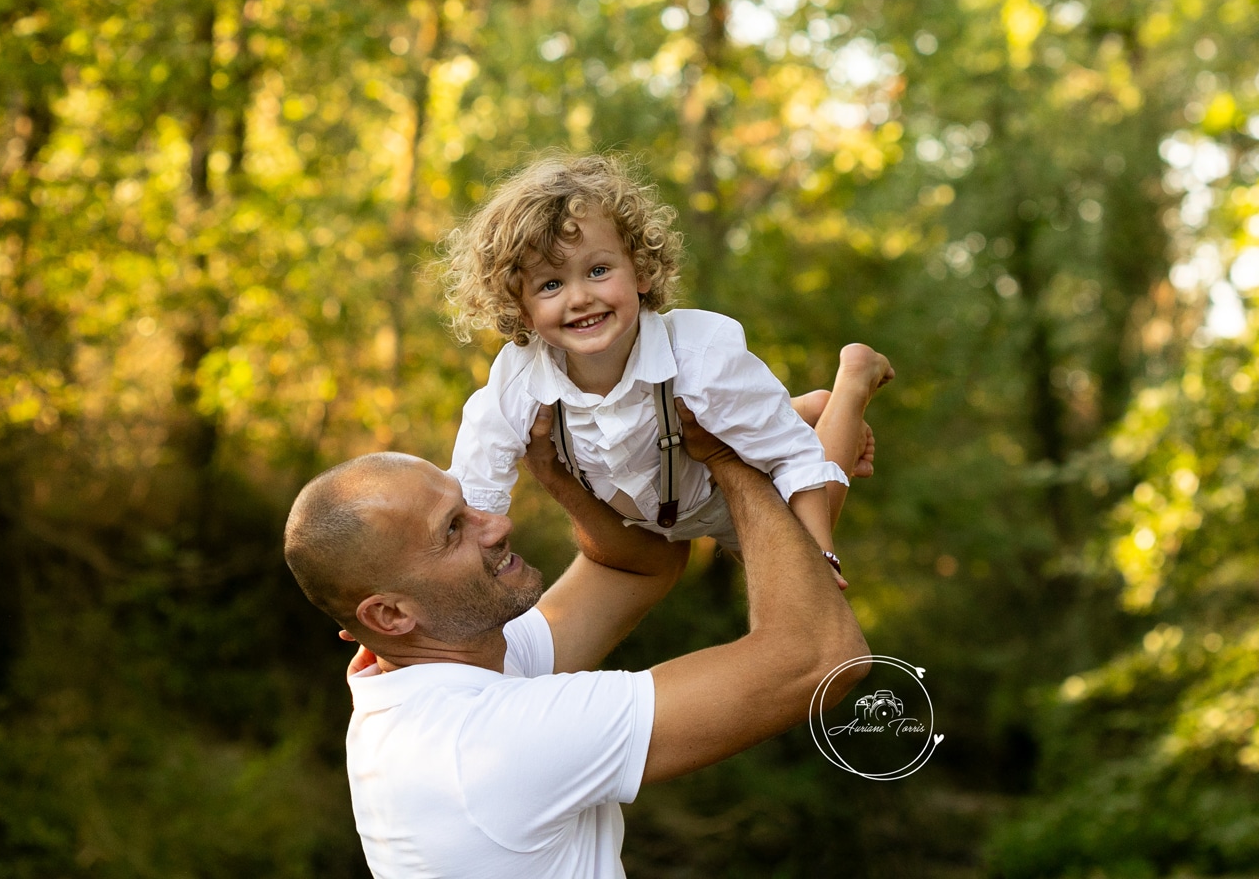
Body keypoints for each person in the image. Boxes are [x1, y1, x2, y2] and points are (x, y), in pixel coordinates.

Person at [281, 348, 892, 878]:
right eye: (454, 530)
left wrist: (559, 475)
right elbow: (821, 659)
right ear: (389, 615)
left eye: (471, 505)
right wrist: (730, 459)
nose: (498, 524)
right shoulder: (484, 746)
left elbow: (637, 566)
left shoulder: (434, 667)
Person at [438, 154, 875, 579]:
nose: (579, 297)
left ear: (641, 271)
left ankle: (852, 381)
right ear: (523, 311)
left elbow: (791, 454)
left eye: (598, 270)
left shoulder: (699, 357)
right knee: (741, 425)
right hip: (645, 522)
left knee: (791, 573)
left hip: (720, 498)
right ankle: (796, 407)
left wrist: (822, 554)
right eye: (551, 284)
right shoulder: (517, 380)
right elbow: (477, 490)